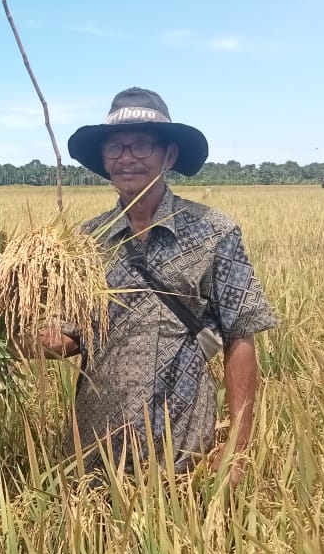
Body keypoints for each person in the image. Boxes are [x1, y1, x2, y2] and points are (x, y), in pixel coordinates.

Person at [48, 87, 276, 484]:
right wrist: (3, 328)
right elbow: (70, 337)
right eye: (115, 147)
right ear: (103, 160)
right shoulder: (87, 240)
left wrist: (238, 448)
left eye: (141, 145)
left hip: (184, 448)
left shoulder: (212, 232)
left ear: (169, 155)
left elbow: (241, 338)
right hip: (95, 450)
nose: (126, 157)